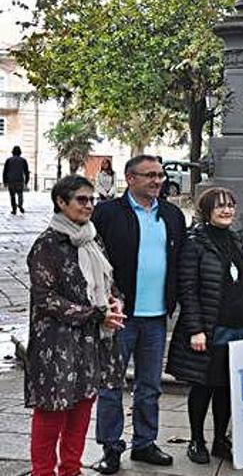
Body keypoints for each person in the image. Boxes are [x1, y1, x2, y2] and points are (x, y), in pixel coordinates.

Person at [26, 175, 126, 476]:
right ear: (61, 202)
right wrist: (96, 314)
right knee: (52, 413)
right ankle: (43, 472)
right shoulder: (46, 244)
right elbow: (46, 299)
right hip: (55, 344)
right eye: (82, 199)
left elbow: (107, 281)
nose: (89, 205)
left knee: (82, 409)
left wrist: (114, 301)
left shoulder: (93, 238)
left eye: (92, 199)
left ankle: (71, 469)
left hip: (91, 341)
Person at [166, 187, 243, 464]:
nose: (227, 211)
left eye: (230, 205)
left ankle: (219, 440)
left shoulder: (238, 240)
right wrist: (195, 329)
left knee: (227, 388)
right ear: (206, 210)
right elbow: (187, 289)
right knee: (203, 386)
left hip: (239, 327)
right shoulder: (194, 242)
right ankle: (196, 440)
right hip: (209, 329)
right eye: (220, 206)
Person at [92, 155, 186, 474]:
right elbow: (92, 259)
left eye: (160, 175)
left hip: (157, 316)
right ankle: (111, 447)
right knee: (110, 385)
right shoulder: (106, 213)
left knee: (150, 385)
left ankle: (145, 443)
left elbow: (179, 261)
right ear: (130, 178)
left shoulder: (172, 215)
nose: (157, 181)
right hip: (118, 316)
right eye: (149, 175)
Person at [3, 145, 29, 215]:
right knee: (20, 194)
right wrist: (26, 181)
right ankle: (20, 205)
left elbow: (5, 171)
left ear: (12, 152)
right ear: (20, 152)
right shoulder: (23, 160)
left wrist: (5, 181)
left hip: (11, 180)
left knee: (12, 196)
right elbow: (26, 172)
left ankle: (14, 209)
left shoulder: (8, 160)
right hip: (20, 180)